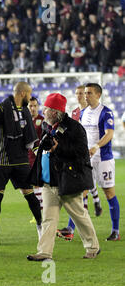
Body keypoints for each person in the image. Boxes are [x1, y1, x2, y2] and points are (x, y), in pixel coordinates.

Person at [26, 93, 100, 261]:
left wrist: (58, 148)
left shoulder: (75, 128)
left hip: (68, 180)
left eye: (47, 108)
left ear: (55, 111)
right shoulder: (47, 126)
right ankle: (44, 252)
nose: (44, 111)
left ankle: (93, 247)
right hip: (49, 180)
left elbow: (81, 153)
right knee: (48, 219)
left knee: (79, 216)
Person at [0, 82, 42, 246]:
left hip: (20, 160)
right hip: (1, 160)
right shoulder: (0, 109)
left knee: (30, 195)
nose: (30, 97)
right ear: (22, 93)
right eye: (29, 94)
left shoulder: (25, 110)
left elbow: (31, 137)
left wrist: (41, 154)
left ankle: (41, 228)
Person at [58, 85, 103, 240]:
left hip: (90, 154)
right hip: (77, 155)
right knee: (80, 190)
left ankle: (73, 228)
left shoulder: (93, 113)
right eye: (77, 93)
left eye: (82, 93)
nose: (79, 96)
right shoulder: (75, 113)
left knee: (80, 190)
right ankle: (95, 200)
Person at [80, 83, 120, 241]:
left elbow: (110, 133)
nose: (86, 96)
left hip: (103, 159)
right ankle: (72, 228)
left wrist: (96, 146)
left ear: (98, 95)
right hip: (86, 159)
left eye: (89, 93)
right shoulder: (83, 113)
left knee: (109, 193)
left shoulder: (106, 112)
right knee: (81, 193)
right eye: (85, 93)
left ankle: (115, 230)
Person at [28, 97, 45, 220]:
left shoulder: (42, 121)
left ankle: (41, 213)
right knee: (30, 187)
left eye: (35, 106)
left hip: (37, 157)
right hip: (25, 158)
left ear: (38, 107)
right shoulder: (24, 121)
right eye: (30, 106)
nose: (33, 108)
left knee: (37, 185)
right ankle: (38, 211)